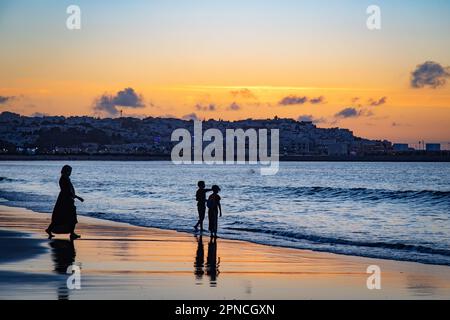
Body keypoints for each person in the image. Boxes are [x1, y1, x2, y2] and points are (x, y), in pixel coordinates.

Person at [46, 165, 84, 241]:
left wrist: (75, 197)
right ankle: (72, 233)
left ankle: (50, 230)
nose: (70, 173)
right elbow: (67, 191)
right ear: (66, 171)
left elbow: (68, 191)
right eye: (69, 171)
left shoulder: (65, 178)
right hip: (66, 201)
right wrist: (78, 197)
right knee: (71, 217)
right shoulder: (64, 179)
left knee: (60, 216)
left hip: (64, 200)